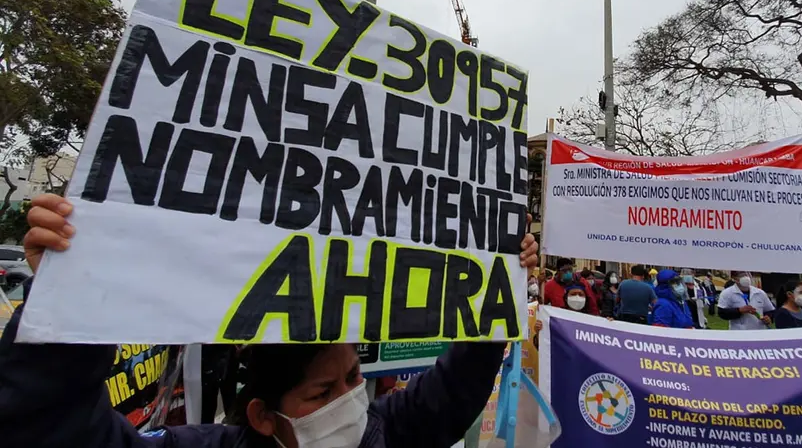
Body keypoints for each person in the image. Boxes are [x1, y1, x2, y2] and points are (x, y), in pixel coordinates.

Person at [0, 194, 540, 448]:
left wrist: (499, 286)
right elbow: (54, 427)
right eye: (321, 390)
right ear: (262, 415)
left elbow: (456, 388)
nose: (348, 401)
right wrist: (71, 300)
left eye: (352, 379)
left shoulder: (385, 434)